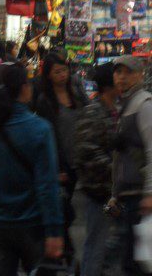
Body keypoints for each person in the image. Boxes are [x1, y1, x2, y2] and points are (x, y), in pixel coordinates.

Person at [0, 63, 63, 275]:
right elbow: (47, 186)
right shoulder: (40, 129)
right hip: (32, 224)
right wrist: (54, 230)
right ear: (24, 88)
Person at [34, 50, 88, 261]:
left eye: (64, 70)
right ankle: (62, 248)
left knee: (75, 205)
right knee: (64, 206)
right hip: (61, 162)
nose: (62, 75)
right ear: (48, 75)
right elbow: (49, 137)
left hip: (80, 158)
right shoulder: (45, 101)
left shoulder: (76, 92)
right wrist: (57, 168)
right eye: (57, 72)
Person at [101, 56, 152, 276]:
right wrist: (114, 193)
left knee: (138, 262)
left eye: (128, 72)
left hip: (140, 197)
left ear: (140, 75)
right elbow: (119, 157)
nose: (121, 77)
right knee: (129, 260)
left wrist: (150, 193)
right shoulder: (124, 105)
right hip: (126, 197)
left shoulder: (144, 104)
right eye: (118, 72)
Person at [74, 63, 118, 276]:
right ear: (110, 85)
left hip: (114, 193)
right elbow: (86, 151)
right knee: (96, 244)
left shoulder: (116, 110)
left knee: (113, 240)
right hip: (100, 193)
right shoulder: (93, 111)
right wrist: (117, 169)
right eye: (119, 75)